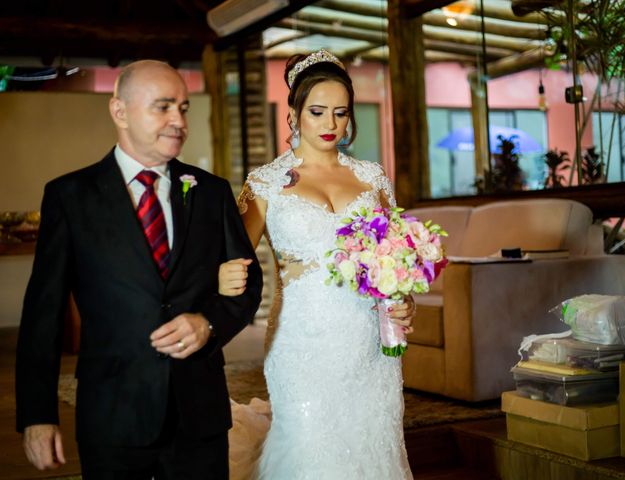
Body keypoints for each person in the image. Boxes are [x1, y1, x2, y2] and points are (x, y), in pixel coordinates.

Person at [15, 59, 263, 479]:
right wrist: (37, 415)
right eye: (162, 107)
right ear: (120, 111)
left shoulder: (212, 192)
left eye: (183, 108)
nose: (178, 121)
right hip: (113, 414)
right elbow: (43, 313)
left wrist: (209, 323)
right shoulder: (70, 197)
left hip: (198, 415)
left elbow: (249, 281)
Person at [221, 49, 415, 479]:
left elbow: (395, 260)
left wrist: (403, 302)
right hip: (300, 344)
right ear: (293, 114)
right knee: (310, 449)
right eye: (317, 112)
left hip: (370, 345)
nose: (330, 125)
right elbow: (233, 256)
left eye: (341, 113)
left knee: (373, 449)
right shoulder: (265, 182)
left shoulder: (372, 177)